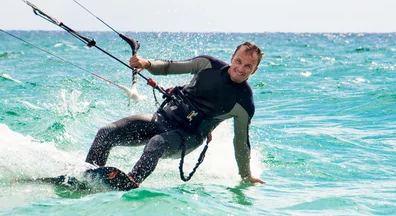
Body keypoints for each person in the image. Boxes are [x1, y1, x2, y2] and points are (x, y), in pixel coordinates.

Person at [85, 41, 265, 189]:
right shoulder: (207, 65)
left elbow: (241, 142)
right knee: (106, 132)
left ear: (254, 70)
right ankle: (87, 178)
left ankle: (130, 183)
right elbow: (169, 67)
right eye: (239, 61)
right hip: (163, 119)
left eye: (248, 66)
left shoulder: (244, 103)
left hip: (188, 137)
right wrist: (146, 64)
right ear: (232, 57)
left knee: (156, 143)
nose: (241, 68)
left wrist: (245, 175)